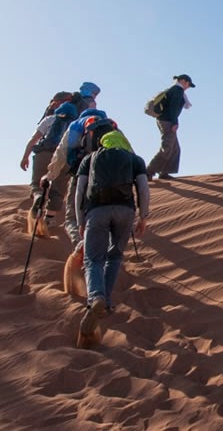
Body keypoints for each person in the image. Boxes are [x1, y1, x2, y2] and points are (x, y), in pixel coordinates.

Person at [75, 129, 149, 348]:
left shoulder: (90, 158)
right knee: (114, 257)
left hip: (96, 211)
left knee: (92, 259)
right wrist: (143, 217)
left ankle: (95, 298)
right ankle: (105, 302)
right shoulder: (135, 159)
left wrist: (81, 220)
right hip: (125, 212)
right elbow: (143, 189)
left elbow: (79, 191)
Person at [43, 108, 109, 247]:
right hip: (106, 178)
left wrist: (50, 175)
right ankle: (102, 250)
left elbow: (61, 153)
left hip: (80, 174)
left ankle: (81, 247)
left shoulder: (76, 125)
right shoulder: (111, 127)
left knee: (71, 218)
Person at [21, 102, 79, 230]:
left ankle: (38, 196)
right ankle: (49, 219)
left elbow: (34, 139)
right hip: (65, 158)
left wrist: (25, 157)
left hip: (44, 154)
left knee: (37, 184)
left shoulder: (49, 119)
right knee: (58, 190)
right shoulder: (76, 125)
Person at [148, 74, 195, 181]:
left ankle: (164, 172)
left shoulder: (174, 89)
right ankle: (149, 171)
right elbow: (173, 107)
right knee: (168, 147)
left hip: (165, 120)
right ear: (183, 81)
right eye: (188, 84)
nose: (188, 87)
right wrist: (175, 122)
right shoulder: (178, 90)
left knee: (175, 148)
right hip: (167, 121)